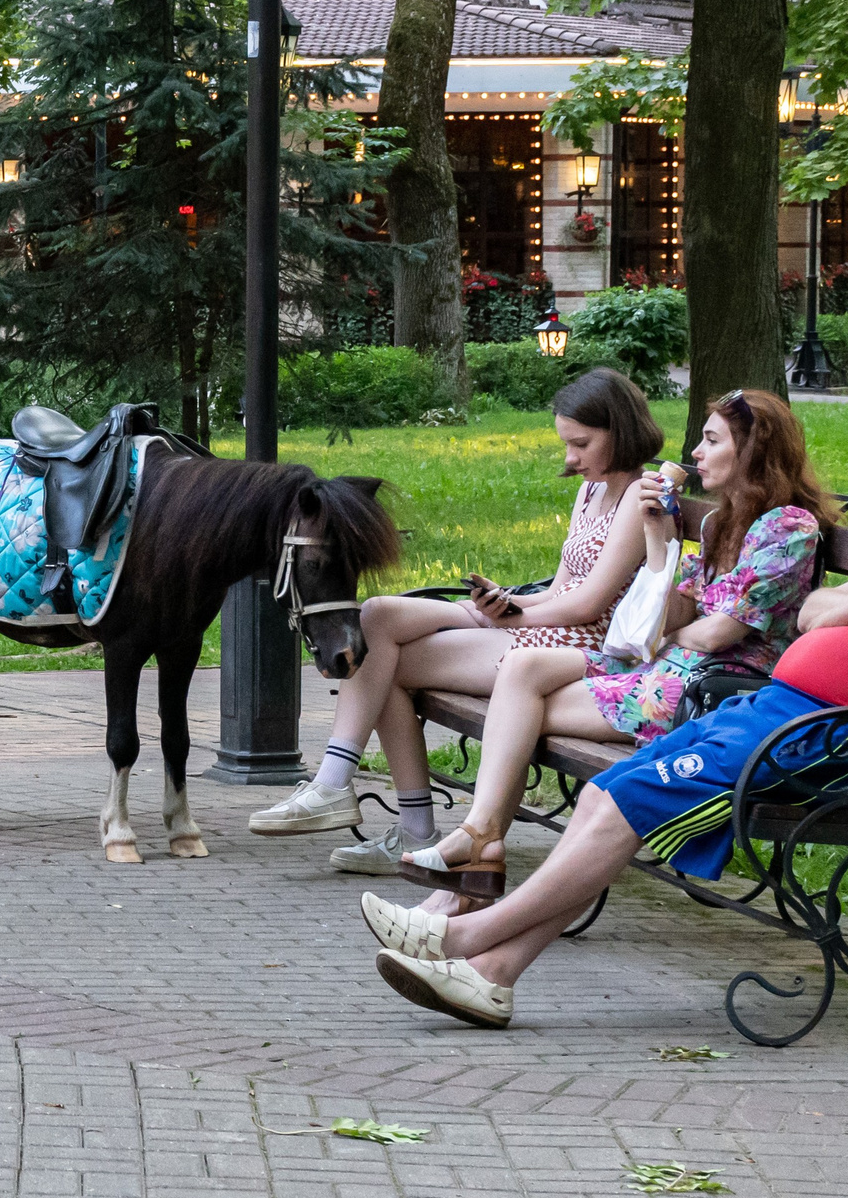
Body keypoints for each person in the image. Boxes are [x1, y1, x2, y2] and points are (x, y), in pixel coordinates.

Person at [363, 399, 848, 1030]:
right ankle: (491, 976)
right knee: (609, 792)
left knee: (631, 799)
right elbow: (817, 613)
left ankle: (464, 936)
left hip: (839, 743)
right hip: (781, 714)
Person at [399, 388, 832, 906]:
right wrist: (658, 538)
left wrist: (668, 633)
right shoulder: (720, 523)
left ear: (754, 450)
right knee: (523, 667)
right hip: (663, 671)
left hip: (711, 693)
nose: (695, 452)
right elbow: (674, 617)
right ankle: (479, 842)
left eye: (712, 440)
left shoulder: (788, 527)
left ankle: (472, 866)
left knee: (518, 713)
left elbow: (716, 635)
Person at [248, 367, 664, 870]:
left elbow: (587, 606)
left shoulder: (640, 495)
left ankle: (386, 814)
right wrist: (503, 601)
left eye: (581, 444)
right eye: (566, 444)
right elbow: (559, 590)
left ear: (620, 431)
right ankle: (341, 788)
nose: (570, 459)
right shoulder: (591, 490)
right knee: (378, 615)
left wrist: (511, 620)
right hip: (545, 625)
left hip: (581, 647)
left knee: (380, 660)